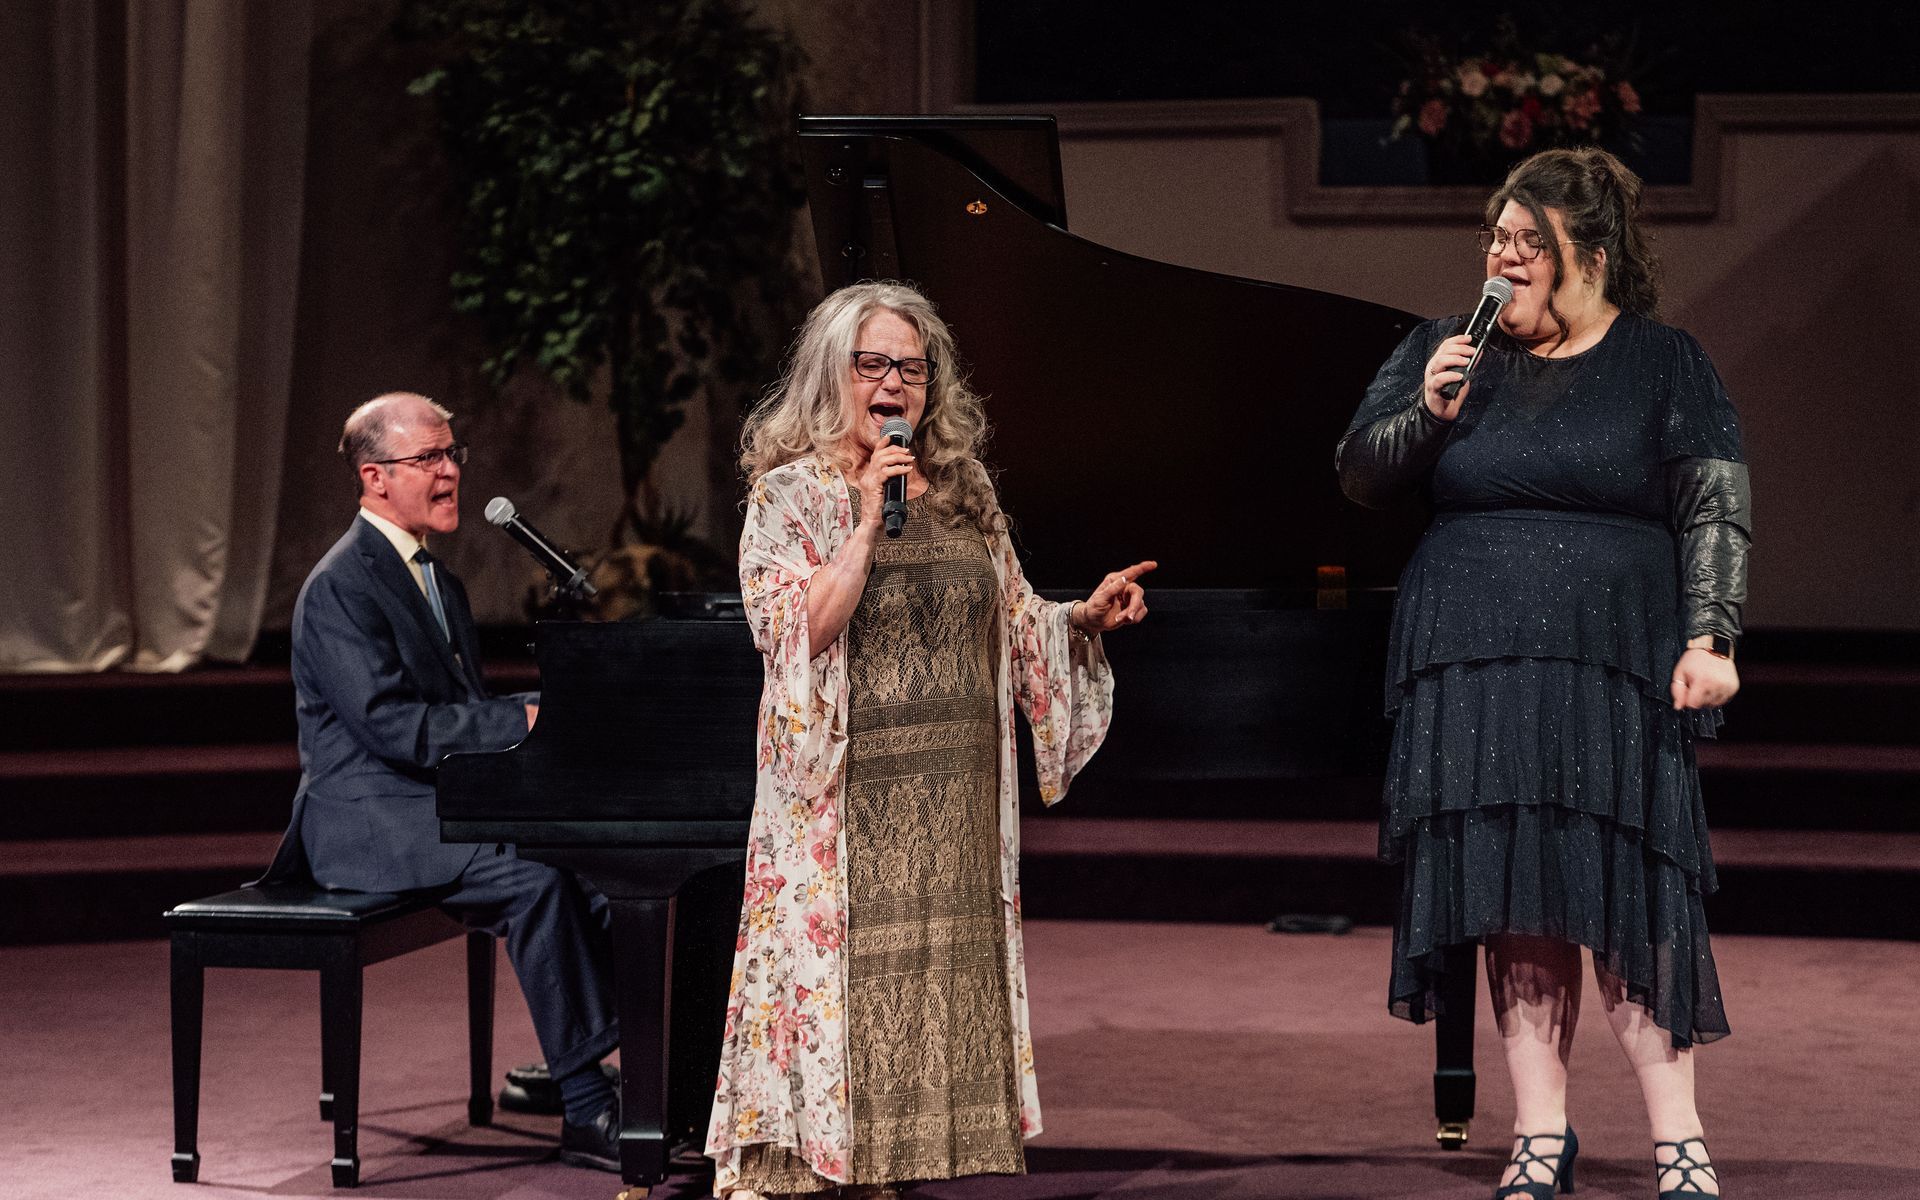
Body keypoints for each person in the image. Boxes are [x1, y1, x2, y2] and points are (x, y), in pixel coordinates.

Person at [1337, 148, 1749, 1200]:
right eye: (1496, 239)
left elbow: (1712, 507)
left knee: (1627, 881)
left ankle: (1678, 1137)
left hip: (1613, 654)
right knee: (1511, 887)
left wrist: (1712, 638)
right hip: (1473, 654)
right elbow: (1361, 475)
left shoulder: (1665, 363)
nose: (1502, 260)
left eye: (1529, 244)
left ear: (1590, 257)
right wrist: (1429, 413)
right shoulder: (1442, 348)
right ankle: (1538, 1131)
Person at [703, 282, 1154, 1199]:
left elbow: (1015, 620)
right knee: (839, 983)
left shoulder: (963, 489)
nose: (894, 384)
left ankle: (884, 1172)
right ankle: (799, 1171)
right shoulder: (787, 496)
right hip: (842, 804)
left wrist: (1081, 619)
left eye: (911, 367)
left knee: (919, 986)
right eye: (873, 364)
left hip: (949, 804)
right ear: (834, 374)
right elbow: (793, 632)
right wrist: (867, 517)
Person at [262, 391, 624, 1171]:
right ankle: (587, 1103)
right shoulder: (339, 589)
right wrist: (519, 723)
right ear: (374, 477)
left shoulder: (439, 581)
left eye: (452, 454)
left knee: (607, 862)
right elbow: (395, 728)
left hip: (431, 803)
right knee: (536, 878)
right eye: (429, 457)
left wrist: (539, 707)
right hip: (368, 821)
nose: (451, 471)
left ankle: (634, 1069)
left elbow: (457, 711)